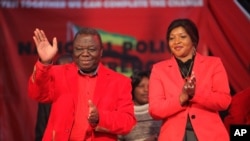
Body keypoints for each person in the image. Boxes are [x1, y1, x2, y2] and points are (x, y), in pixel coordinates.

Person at [28, 27, 136, 141]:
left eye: (91, 49)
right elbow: (37, 94)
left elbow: (128, 122)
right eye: (79, 49)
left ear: (101, 51)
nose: (85, 54)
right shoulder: (58, 73)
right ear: (73, 50)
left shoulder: (120, 82)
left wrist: (100, 117)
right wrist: (44, 64)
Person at [148, 18, 232, 141]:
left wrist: (195, 94)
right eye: (172, 38)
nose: (176, 42)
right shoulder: (159, 69)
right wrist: (181, 98)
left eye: (182, 37)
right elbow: (155, 110)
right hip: (173, 136)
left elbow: (224, 101)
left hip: (210, 135)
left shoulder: (213, 64)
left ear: (193, 40)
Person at [35, 53, 73, 141]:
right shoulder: (46, 100)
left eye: (68, 71)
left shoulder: (85, 95)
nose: (65, 76)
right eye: (61, 71)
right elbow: (41, 134)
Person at [118, 70, 161, 141]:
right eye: (141, 86)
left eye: (150, 86)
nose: (146, 90)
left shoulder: (160, 113)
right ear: (132, 89)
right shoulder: (124, 115)